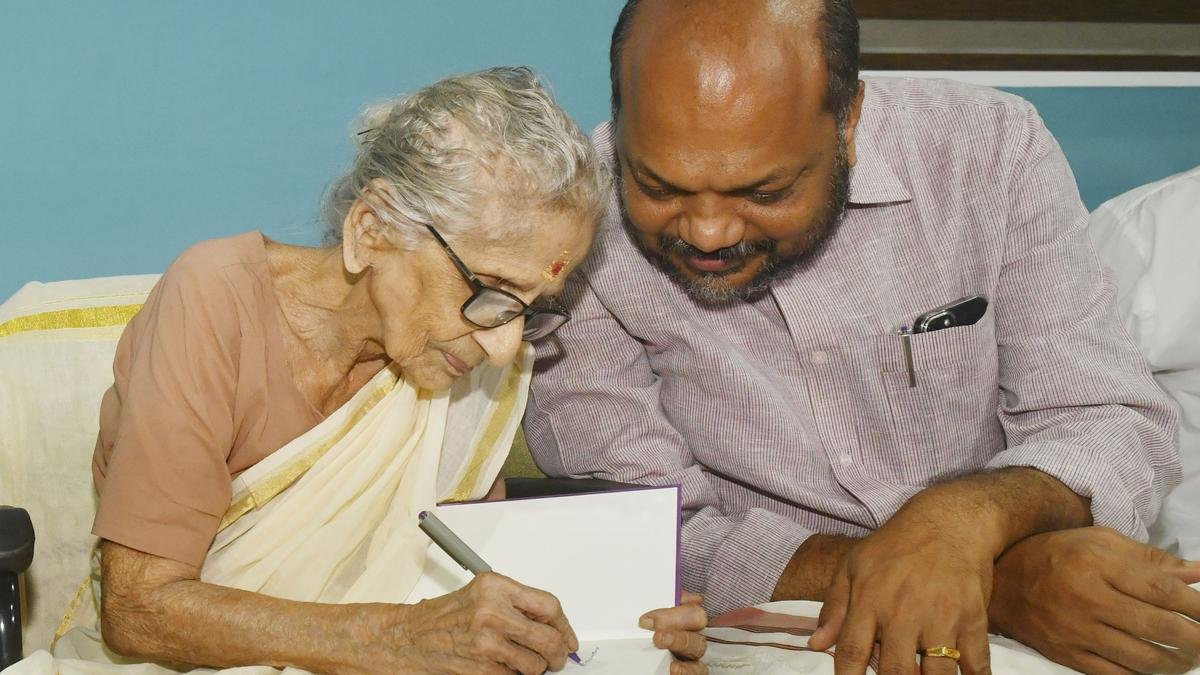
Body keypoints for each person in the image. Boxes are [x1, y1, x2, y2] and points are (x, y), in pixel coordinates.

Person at [524, 2, 1200, 674]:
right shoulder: (572, 219)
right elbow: (641, 528)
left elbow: (1107, 420)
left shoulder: (990, 150)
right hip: (768, 636)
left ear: (848, 122)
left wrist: (964, 518)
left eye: (764, 192)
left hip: (1037, 627)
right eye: (657, 185)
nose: (708, 232)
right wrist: (987, 582)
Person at [8, 67, 706, 675]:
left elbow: (467, 578)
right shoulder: (215, 299)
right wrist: (397, 639)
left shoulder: (473, 358)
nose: (505, 347)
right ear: (371, 230)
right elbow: (140, 609)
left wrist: (624, 620)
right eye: (491, 291)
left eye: (533, 308)